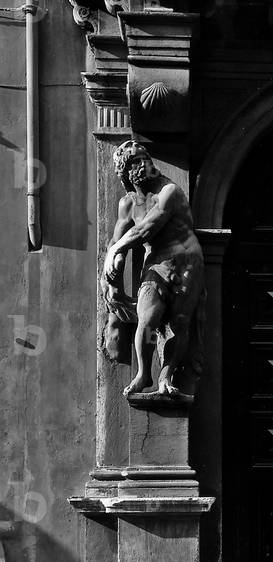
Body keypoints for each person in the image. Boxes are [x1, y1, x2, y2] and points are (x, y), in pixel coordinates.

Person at [101, 140, 204, 399]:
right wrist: (111, 273)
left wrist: (118, 251)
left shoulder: (169, 191)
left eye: (145, 157)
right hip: (156, 263)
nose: (144, 163)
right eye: (136, 161)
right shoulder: (127, 203)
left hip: (186, 262)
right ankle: (143, 374)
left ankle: (165, 376)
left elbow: (146, 229)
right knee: (147, 319)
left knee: (180, 323)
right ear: (125, 170)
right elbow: (118, 238)